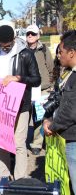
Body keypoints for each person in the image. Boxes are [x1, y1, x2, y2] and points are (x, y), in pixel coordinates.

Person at [0, 25, 41, 192]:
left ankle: (20, 179)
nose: (5, 48)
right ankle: (2, 177)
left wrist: (17, 78)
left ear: (14, 39)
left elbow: (36, 79)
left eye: (8, 45)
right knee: (0, 141)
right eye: (2, 45)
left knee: (18, 143)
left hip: (20, 105)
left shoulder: (26, 54)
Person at [43, 30, 76, 194]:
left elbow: (71, 110)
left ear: (71, 53)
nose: (58, 55)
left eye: (61, 52)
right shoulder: (68, 73)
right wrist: (47, 118)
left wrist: (53, 125)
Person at [26, 24, 54, 156]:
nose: (30, 36)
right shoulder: (22, 50)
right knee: (27, 116)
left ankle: (37, 143)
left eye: (33, 34)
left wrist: (51, 85)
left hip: (42, 88)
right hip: (27, 88)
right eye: (28, 34)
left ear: (38, 36)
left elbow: (51, 67)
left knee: (40, 116)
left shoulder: (44, 49)